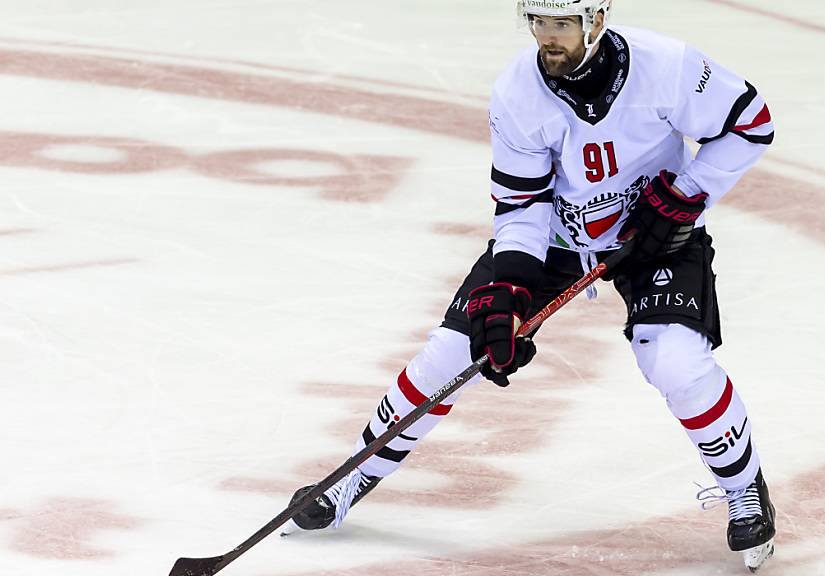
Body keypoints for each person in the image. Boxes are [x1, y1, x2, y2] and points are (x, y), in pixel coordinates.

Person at [285, 0, 777, 570]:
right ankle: (353, 476)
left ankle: (745, 489)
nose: (547, 36)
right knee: (451, 351)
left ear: (596, 20)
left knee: (674, 361)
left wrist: (685, 195)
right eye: (537, 21)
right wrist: (511, 290)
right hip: (556, 239)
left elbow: (752, 123)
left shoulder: (668, 67)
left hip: (657, 230)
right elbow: (521, 204)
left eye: (561, 23)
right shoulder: (518, 91)